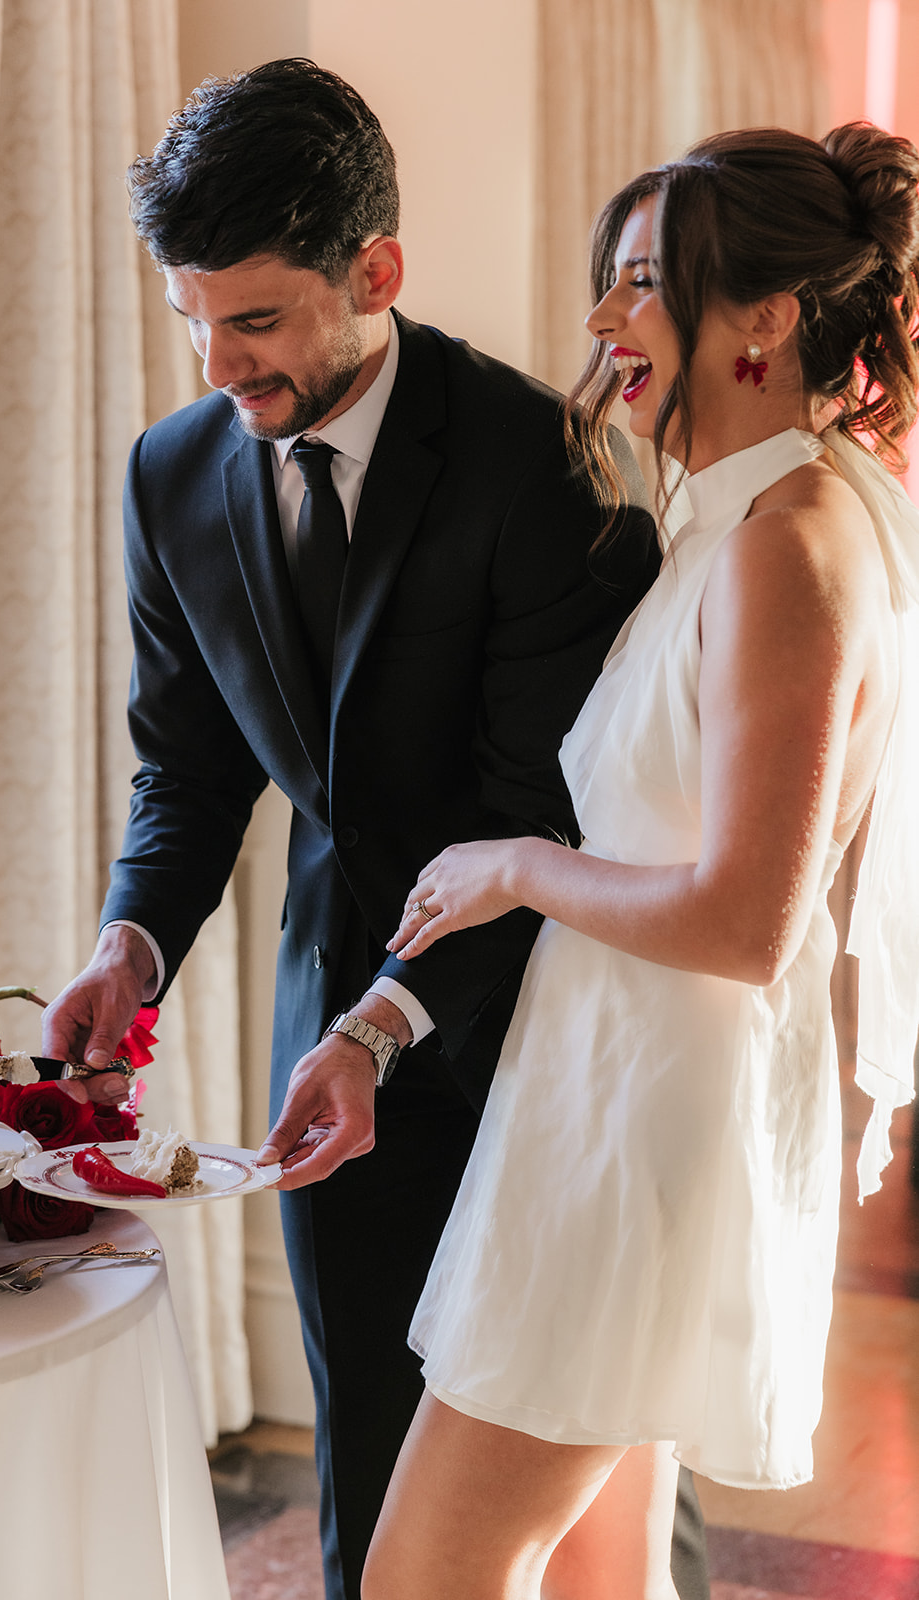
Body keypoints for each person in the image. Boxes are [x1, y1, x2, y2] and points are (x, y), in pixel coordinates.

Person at [38, 57, 714, 1600]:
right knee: (372, 1476)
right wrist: (130, 945)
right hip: (334, 1020)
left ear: (377, 272)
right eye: (192, 320)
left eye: (259, 319)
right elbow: (188, 770)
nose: (219, 364)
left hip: (560, 1023)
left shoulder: (544, 471)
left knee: (586, 1496)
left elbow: (554, 812)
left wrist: (396, 1019)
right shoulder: (171, 477)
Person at [359, 122, 919, 1599]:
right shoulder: (737, 515)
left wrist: (519, 867)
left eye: (637, 284)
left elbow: (748, 919)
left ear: (766, 318)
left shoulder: (786, 545)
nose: (603, 323)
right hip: (620, 1086)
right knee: (612, 1583)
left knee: (427, 1574)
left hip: (650, 1115)